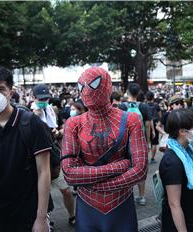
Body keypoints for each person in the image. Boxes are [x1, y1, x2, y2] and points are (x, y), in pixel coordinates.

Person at [61, 67, 147, 231]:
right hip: (90, 205)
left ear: (107, 86)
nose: (86, 91)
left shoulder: (131, 120)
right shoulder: (74, 123)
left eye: (93, 85)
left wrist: (94, 183)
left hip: (117, 202)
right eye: (81, 87)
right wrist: (119, 166)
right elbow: (69, 174)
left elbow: (140, 170)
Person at [0, 66, 52, 232]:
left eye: (1, 89)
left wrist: (41, 219)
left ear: (10, 93)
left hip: (31, 213)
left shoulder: (30, 123)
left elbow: (44, 172)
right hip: (1, 213)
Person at [32, 84, 76, 228]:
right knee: (43, 195)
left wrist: (56, 133)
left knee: (66, 191)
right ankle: (44, 221)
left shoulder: (50, 109)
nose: (44, 101)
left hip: (54, 160)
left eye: (46, 98)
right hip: (38, 161)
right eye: (41, 99)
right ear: (33, 98)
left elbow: (53, 130)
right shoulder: (29, 115)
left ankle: (72, 216)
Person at [159, 108, 193, 232]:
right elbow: (174, 204)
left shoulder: (188, 151)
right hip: (180, 224)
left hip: (192, 217)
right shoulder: (172, 162)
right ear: (182, 131)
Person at [119, 83, 151, 206]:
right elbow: (147, 125)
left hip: (125, 143)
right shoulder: (144, 106)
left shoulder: (122, 106)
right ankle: (142, 196)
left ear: (127, 92)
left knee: (127, 169)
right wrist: (147, 141)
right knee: (140, 168)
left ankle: (127, 196)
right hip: (140, 142)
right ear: (138, 94)